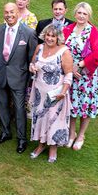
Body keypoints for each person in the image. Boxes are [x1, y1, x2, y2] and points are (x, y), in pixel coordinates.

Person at [0, 2, 38, 153]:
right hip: (1, 75)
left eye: (12, 12)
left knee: (19, 109)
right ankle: (5, 132)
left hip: (19, 77)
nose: (9, 15)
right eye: (6, 12)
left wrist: (28, 78)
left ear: (18, 12)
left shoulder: (28, 33)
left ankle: (21, 139)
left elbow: (31, 58)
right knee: (3, 106)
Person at [63, 2, 98, 151]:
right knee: (72, 105)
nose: (81, 16)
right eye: (79, 13)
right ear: (75, 14)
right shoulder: (68, 29)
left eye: (84, 14)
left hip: (86, 77)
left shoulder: (92, 31)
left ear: (89, 16)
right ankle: (71, 134)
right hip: (71, 73)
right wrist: (70, 67)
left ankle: (81, 135)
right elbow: (62, 49)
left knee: (85, 105)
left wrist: (81, 65)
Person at [28, 25, 74, 163]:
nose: (49, 38)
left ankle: (53, 148)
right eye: (47, 35)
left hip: (56, 94)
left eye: (53, 36)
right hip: (39, 92)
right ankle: (41, 144)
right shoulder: (40, 48)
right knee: (41, 118)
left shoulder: (64, 52)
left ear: (58, 37)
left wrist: (63, 92)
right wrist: (32, 68)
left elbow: (69, 74)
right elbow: (33, 63)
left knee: (53, 119)